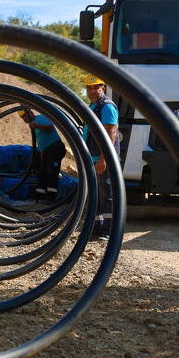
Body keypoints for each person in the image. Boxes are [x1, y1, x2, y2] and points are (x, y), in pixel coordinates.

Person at [82, 75, 120, 241]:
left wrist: (104, 158)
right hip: (93, 157)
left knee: (107, 194)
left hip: (103, 159)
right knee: (96, 195)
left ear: (102, 88)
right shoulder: (93, 106)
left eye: (95, 88)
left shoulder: (106, 107)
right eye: (89, 88)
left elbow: (110, 134)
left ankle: (108, 230)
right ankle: (97, 229)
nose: (92, 91)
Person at [18, 109, 66, 204]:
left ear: (31, 112)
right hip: (47, 151)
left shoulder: (39, 118)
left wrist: (36, 125)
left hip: (55, 147)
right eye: (22, 117)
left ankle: (50, 198)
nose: (25, 118)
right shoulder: (34, 127)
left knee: (52, 172)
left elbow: (50, 128)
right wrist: (42, 159)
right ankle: (38, 197)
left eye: (25, 115)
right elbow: (41, 145)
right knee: (42, 172)